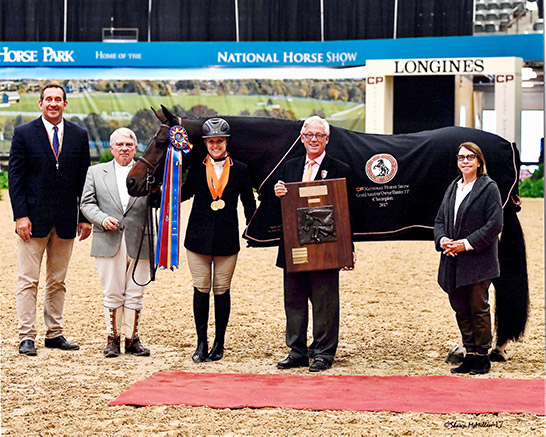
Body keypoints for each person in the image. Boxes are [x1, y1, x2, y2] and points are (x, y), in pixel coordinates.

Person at [8, 83, 91, 356]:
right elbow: (16, 178)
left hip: (66, 221)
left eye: (58, 99)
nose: (53, 103)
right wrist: (21, 215)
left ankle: (54, 333)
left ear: (65, 104)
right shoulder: (23, 134)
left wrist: (84, 217)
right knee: (28, 280)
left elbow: (83, 181)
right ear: (40, 104)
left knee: (58, 281)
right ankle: (26, 336)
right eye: (49, 99)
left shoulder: (79, 135)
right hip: (32, 221)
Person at [274, 115, 355, 372]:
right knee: (294, 301)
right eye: (309, 135)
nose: (313, 140)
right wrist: (276, 194)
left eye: (319, 135)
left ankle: (323, 353)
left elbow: (349, 213)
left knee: (325, 302)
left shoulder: (341, 169)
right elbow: (277, 211)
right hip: (294, 247)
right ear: (301, 138)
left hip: (326, 248)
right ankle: (297, 351)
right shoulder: (288, 167)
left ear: (327, 139)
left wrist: (348, 248)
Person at [182, 117, 256, 363]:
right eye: (211, 141)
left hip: (226, 239)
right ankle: (201, 342)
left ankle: (219, 342)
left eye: (220, 141)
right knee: (201, 289)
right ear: (206, 143)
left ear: (226, 142)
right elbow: (184, 193)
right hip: (197, 239)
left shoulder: (241, 169)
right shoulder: (196, 167)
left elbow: (248, 201)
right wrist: (163, 196)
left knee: (222, 290)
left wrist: (252, 227)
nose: (215, 145)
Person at [80, 128, 152, 358]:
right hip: (108, 238)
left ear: (135, 148)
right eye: (119, 145)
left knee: (135, 291)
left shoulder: (148, 172)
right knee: (112, 291)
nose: (124, 149)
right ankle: (113, 339)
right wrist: (101, 218)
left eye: (128, 145)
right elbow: (86, 203)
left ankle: (132, 339)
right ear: (111, 148)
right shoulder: (95, 172)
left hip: (140, 238)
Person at [434, 142, 503, 375]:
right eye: (461, 157)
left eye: (470, 157)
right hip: (452, 258)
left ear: (479, 161)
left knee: (478, 308)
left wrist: (465, 244)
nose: (465, 161)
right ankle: (470, 353)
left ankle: (482, 356)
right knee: (461, 309)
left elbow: (494, 224)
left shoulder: (489, 188)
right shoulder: (453, 187)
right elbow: (440, 220)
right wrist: (443, 239)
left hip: (478, 260)